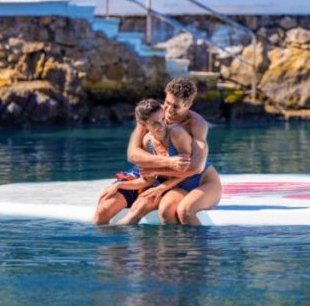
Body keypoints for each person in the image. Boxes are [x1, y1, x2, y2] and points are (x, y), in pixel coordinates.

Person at [126, 78, 222, 226]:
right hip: (176, 183)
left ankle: (201, 249)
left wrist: (155, 172)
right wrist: (166, 163)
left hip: (203, 181)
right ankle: (175, 249)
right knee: (165, 212)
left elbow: (196, 167)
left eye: (175, 106)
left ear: (188, 105)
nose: (169, 110)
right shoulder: (154, 115)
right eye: (167, 103)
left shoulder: (197, 124)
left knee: (186, 211)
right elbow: (133, 154)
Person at [93, 99, 192, 225]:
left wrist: (162, 187)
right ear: (144, 124)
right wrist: (118, 185)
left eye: (162, 119)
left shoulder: (177, 134)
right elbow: (147, 180)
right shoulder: (147, 142)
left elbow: (191, 170)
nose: (161, 126)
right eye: (154, 123)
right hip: (150, 181)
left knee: (137, 210)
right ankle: (109, 243)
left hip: (175, 184)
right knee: (103, 211)